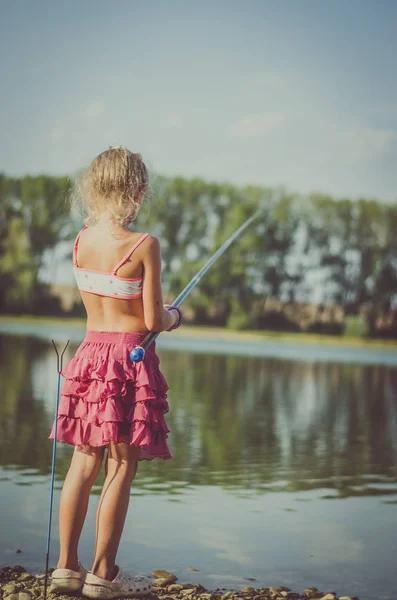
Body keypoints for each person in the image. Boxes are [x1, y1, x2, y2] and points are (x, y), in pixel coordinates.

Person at [49, 147, 182, 599]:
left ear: (93, 188)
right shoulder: (145, 245)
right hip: (128, 361)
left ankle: (66, 567)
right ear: (138, 191)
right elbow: (151, 321)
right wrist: (176, 316)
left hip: (88, 357)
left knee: (82, 463)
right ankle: (102, 575)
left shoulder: (81, 242)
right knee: (121, 464)